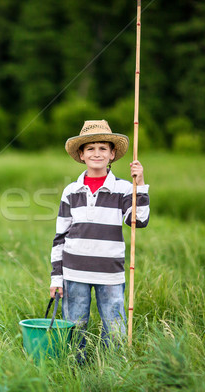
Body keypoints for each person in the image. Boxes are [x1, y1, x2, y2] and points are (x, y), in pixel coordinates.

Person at [49, 120, 150, 358]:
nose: (97, 153)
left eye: (103, 148)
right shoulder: (71, 191)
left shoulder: (124, 189)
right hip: (74, 272)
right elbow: (60, 236)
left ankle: (112, 368)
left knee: (114, 327)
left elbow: (138, 220)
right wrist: (56, 277)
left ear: (112, 154)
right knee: (75, 327)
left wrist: (141, 183)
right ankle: (75, 368)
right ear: (81, 155)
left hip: (110, 272)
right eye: (91, 148)